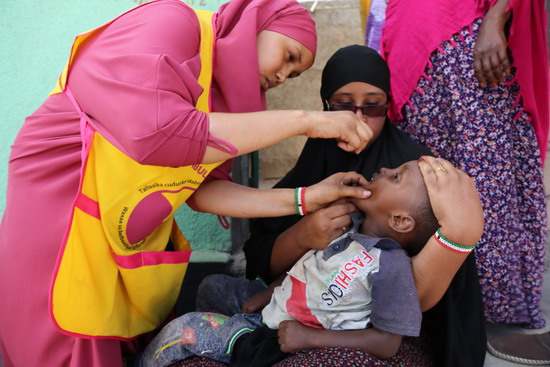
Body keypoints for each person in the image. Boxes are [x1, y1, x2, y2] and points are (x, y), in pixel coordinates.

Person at [0, 1, 377, 366]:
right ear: (255, 24)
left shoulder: (222, 102)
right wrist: (306, 121)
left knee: (106, 324)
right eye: (289, 56)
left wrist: (306, 198)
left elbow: (206, 191)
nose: (282, 76)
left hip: (118, 220)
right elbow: (156, 132)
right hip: (63, 183)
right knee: (62, 326)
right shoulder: (174, 23)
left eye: (293, 76)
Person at [242, 45, 487, 367]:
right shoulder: (317, 158)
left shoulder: (410, 174)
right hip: (301, 311)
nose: (357, 118)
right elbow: (262, 260)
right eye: (342, 105)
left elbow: (417, 296)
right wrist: (303, 236)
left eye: (373, 106)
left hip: (384, 331)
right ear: (325, 106)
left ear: (388, 105)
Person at [138, 160, 442, 367]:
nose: (385, 169)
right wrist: (270, 291)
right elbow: (309, 269)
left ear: (400, 221)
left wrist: (309, 337)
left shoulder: (390, 265)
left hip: (277, 338)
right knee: (210, 285)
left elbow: (388, 343)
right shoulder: (349, 224)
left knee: (183, 330)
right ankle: (223, 336)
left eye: (396, 177)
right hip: (275, 306)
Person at [378, 0, 550, 363]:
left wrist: (495, 16)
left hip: (470, 43)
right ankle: (442, 302)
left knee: (487, 182)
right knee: (427, 185)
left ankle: (491, 311)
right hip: (421, 48)